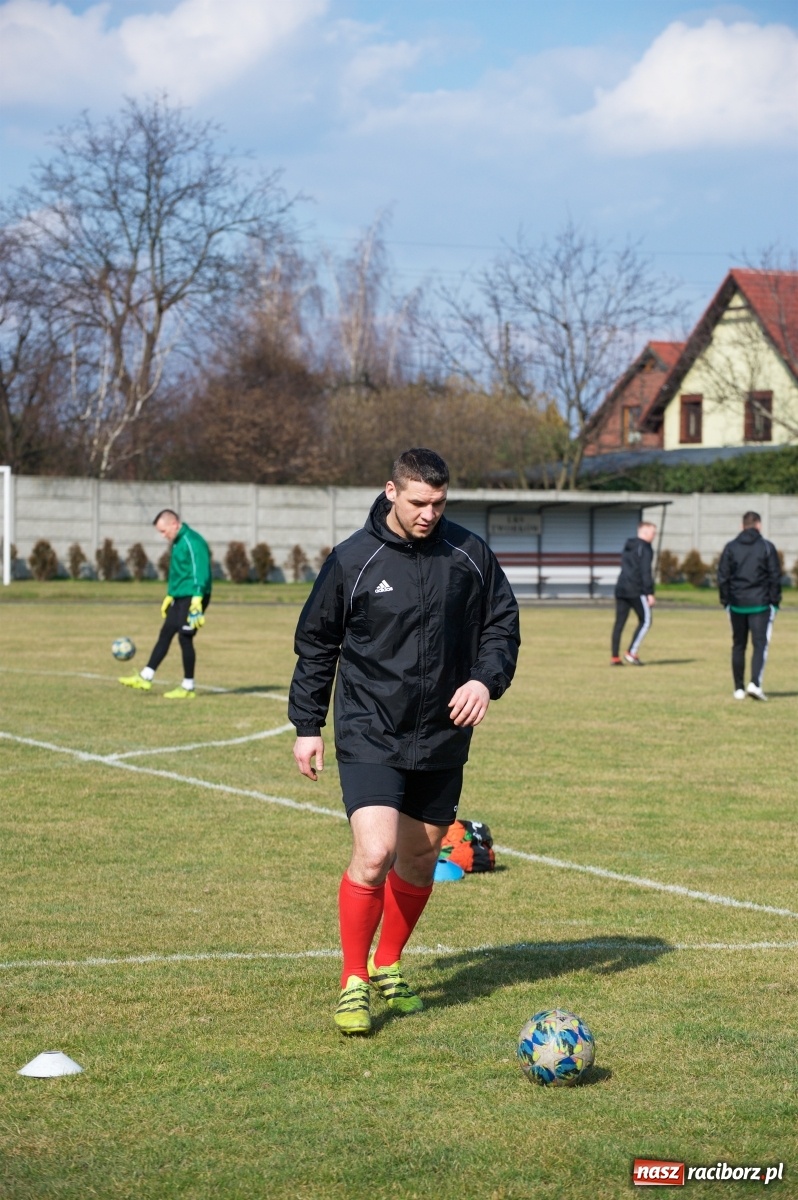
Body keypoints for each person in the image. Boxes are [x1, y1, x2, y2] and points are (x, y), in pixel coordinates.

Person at [288, 449, 520, 1035]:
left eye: (439, 503)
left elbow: (502, 625)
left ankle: (387, 963)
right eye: (419, 502)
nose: (429, 514)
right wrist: (308, 725)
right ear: (390, 491)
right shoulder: (353, 559)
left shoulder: (469, 553)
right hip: (371, 727)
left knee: (419, 859)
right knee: (375, 853)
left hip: (443, 732)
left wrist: (484, 680)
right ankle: (353, 981)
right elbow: (317, 643)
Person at [119, 509, 212, 699]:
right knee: (166, 632)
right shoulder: (178, 541)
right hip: (181, 595)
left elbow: (200, 570)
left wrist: (197, 598)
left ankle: (188, 687)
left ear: (174, 524)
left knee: (185, 638)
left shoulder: (192, 541)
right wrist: (170, 595)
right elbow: (179, 572)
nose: (163, 536)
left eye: (163, 531)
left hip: (194, 596)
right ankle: (146, 676)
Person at [717, 511, 781, 701]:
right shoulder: (767, 547)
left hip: (736, 604)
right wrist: (775, 602)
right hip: (761, 605)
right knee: (760, 645)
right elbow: (774, 577)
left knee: (738, 645)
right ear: (758, 525)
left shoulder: (730, 547)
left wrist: (725, 600)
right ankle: (755, 683)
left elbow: (723, 577)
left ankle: (738, 688)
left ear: (742, 526)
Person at [611, 521, 657, 666]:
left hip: (621, 587)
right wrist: (649, 592)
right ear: (644, 532)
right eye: (653, 533)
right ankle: (631, 652)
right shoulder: (645, 548)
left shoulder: (628, 545)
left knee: (619, 623)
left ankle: (614, 657)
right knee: (646, 621)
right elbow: (645, 571)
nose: (654, 536)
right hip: (635, 590)